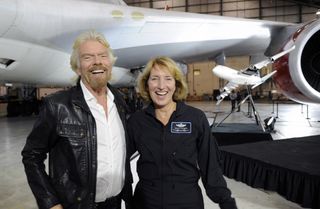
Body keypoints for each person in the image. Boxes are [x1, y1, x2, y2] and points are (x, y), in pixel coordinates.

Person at [21, 30, 132, 209]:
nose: (97, 61)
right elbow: (32, 156)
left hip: (116, 203)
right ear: (77, 67)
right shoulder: (58, 105)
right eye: (88, 57)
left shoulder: (119, 102)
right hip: (77, 205)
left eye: (103, 56)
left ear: (110, 63)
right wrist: (50, 202)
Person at [127, 56, 237, 209]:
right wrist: (127, 198)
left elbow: (210, 164)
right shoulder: (136, 121)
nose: (161, 86)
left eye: (168, 79)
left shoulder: (195, 118)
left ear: (176, 84)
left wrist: (226, 202)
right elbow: (120, 162)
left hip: (187, 202)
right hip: (146, 202)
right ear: (146, 84)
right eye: (154, 79)